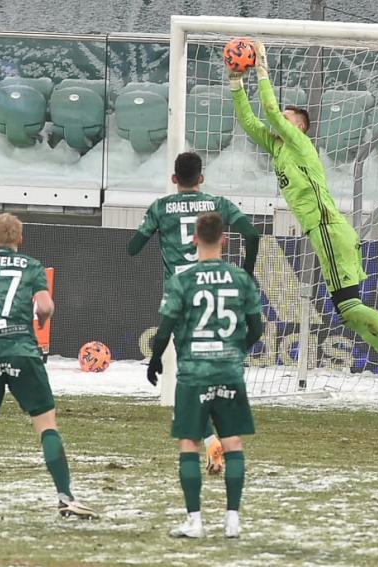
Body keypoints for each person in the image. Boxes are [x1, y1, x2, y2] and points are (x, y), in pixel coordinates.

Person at [230, 41, 378, 408]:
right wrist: (235, 83)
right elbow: (249, 120)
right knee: (348, 314)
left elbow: (271, 112)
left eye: (288, 119)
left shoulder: (301, 145)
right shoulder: (277, 148)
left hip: (327, 229)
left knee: (349, 310)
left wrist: (261, 72)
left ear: (299, 128)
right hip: (329, 232)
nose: (280, 121)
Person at [0, 213, 97, 519]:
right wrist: (40, 321)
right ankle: (65, 496)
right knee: (45, 423)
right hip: (23, 350)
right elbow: (46, 306)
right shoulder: (31, 266)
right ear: (20, 240)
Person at [129, 151, 260, 473]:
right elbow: (253, 234)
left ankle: (206, 437)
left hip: (183, 291)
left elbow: (132, 248)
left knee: (189, 377)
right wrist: (247, 269)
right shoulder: (219, 203)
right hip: (220, 285)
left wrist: (154, 229)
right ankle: (220, 437)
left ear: (174, 179)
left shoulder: (161, 207)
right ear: (201, 178)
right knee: (214, 367)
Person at [147, 212, 263, 539]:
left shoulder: (182, 280)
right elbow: (257, 327)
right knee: (233, 442)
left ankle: (195, 521)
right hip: (228, 369)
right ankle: (232, 521)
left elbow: (166, 327)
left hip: (193, 372)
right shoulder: (241, 279)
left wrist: (155, 359)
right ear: (224, 239)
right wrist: (237, 350)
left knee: (189, 443)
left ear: (194, 239)